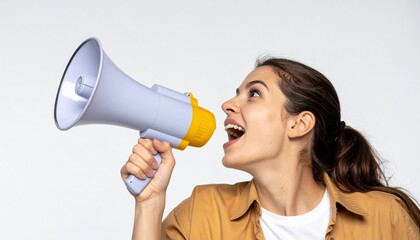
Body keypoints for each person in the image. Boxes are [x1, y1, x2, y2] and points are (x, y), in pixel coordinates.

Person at [121, 57, 420, 239]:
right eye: (236, 94)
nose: (228, 105)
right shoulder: (203, 213)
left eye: (253, 94)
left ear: (299, 124)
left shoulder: (386, 218)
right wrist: (149, 203)